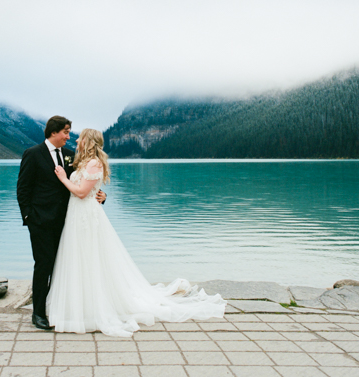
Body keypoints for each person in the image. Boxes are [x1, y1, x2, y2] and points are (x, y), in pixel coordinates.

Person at [47, 128, 226, 337]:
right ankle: (79, 303)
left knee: (92, 257)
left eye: (80, 137)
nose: (76, 140)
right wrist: (97, 193)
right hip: (78, 216)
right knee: (79, 257)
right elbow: (89, 189)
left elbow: (81, 192)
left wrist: (62, 177)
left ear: (88, 141)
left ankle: (94, 307)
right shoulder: (84, 161)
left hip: (86, 216)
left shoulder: (94, 162)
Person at [16, 116, 106, 330]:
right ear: (53, 132)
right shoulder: (33, 154)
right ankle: (38, 314)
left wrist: (102, 196)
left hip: (68, 222)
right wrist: (28, 217)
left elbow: (84, 184)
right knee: (43, 266)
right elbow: (23, 189)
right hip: (40, 221)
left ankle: (58, 308)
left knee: (63, 265)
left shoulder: (69, 156)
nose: (69, 136)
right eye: (66, 132)